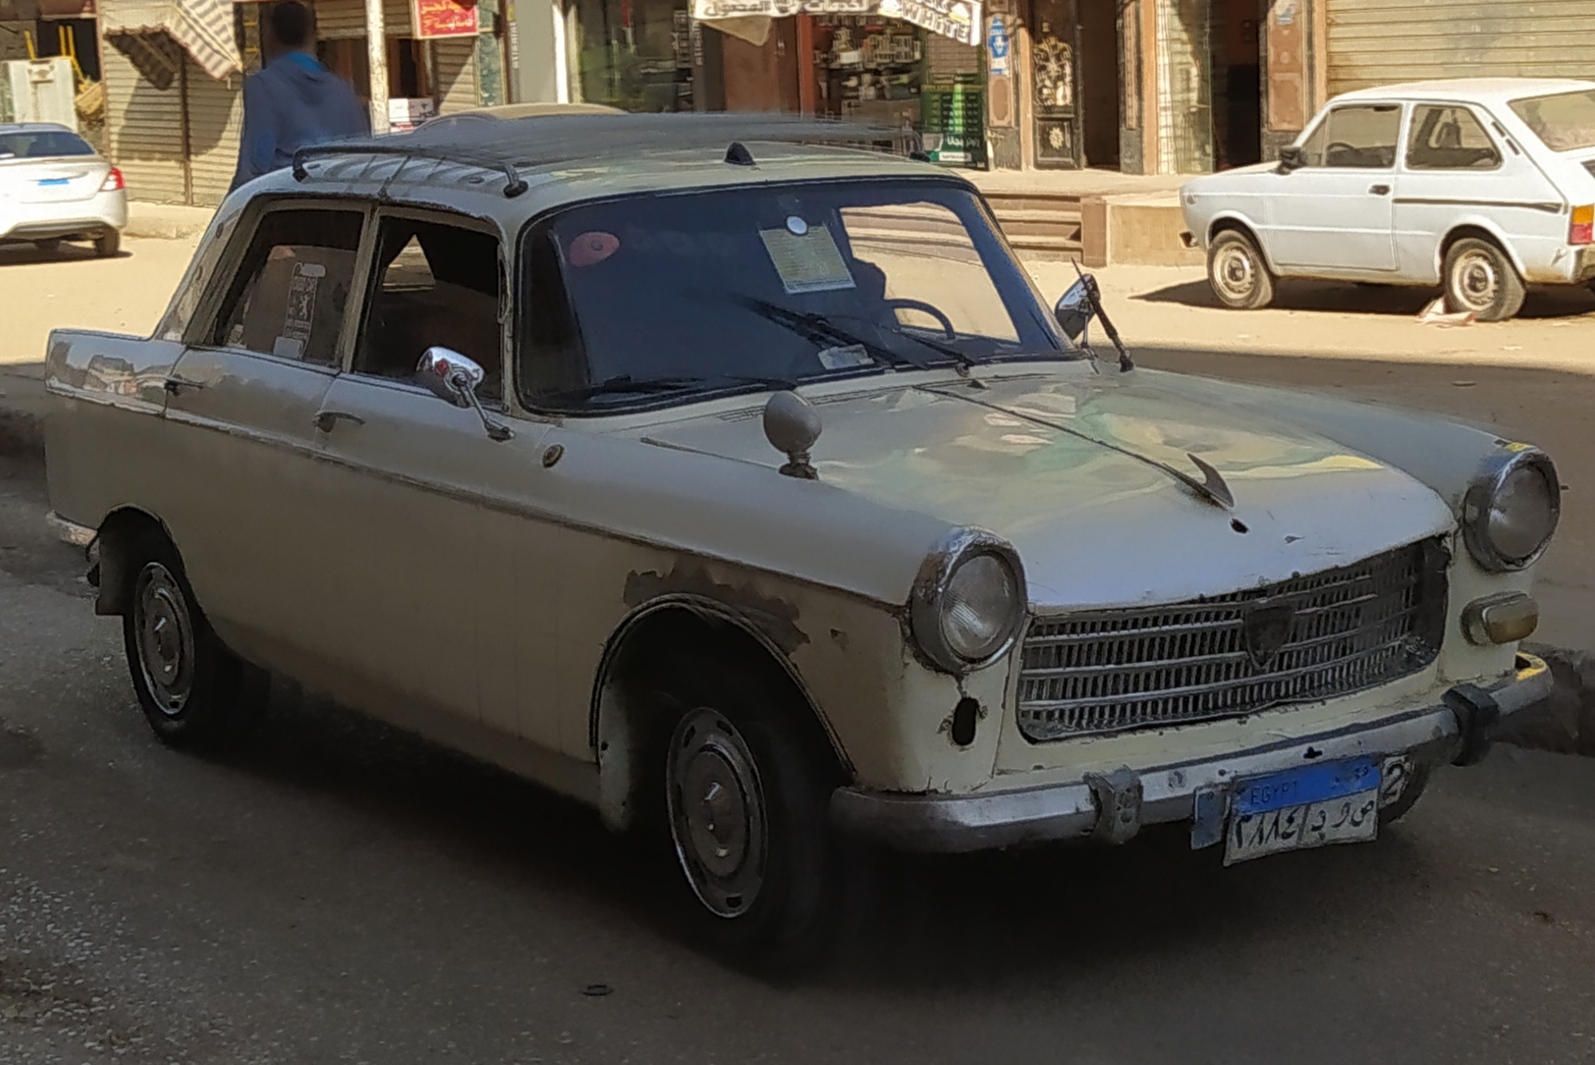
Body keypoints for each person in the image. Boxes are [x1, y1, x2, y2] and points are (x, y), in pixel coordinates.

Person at [230, 1, 369, 193]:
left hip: (291, 206)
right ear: (314, 36)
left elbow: (255, 166)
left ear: (269, 36)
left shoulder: (263, 86)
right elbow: (363, 157)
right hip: (345, 202)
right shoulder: (344, 90)